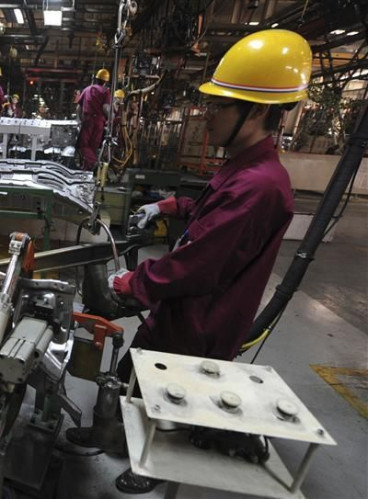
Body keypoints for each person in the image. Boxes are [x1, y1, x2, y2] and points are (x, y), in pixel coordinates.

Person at [106, 29, 312, 494]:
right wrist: (168, 206)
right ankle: (117, 438)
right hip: (181, 309)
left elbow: (199, 264)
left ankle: (152, 465)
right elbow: (208, 213)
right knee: (133, 376)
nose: (207, 116)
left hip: (203, 319)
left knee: (174, 399)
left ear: (257, 111)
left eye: (220, 106)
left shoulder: (261, 185)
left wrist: (130, 284)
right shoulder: (243, 166)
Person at [76, 68, 111, 170]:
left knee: (83, 145)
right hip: (99, 122)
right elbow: (105, 108)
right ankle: (87, 169)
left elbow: (79, 107)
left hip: (88, 120)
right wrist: (111, 117)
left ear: (96, 79)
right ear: (105, 82)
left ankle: (93, 162)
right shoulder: (106, 91)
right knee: (93, 146)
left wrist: (80, 120)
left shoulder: (87, 89)